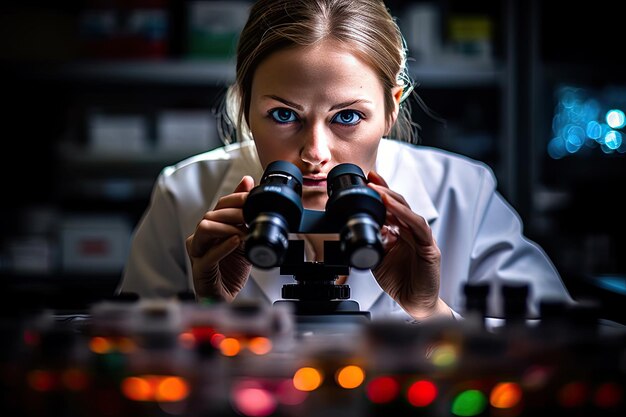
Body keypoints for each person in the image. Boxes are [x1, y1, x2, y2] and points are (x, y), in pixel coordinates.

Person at [117, 0, 574, 323]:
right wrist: (210, 312)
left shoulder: (462, 192)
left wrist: (431, 313)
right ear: (245, 106)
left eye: (348, 117)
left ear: (392, 108)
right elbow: (124, 367)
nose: (315, 153)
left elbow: (569, 352)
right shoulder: (184, 193)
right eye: (283, 115)